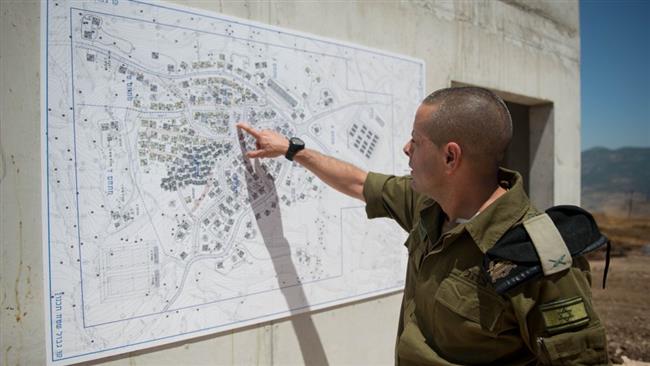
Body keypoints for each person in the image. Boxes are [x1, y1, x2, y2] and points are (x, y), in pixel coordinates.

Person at [237, 86, 609, 365]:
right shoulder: (427, 206)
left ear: (450, 156)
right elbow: (358, 182)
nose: (406, 149)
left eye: (416, 141)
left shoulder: (539, 258)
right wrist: (291, 149)